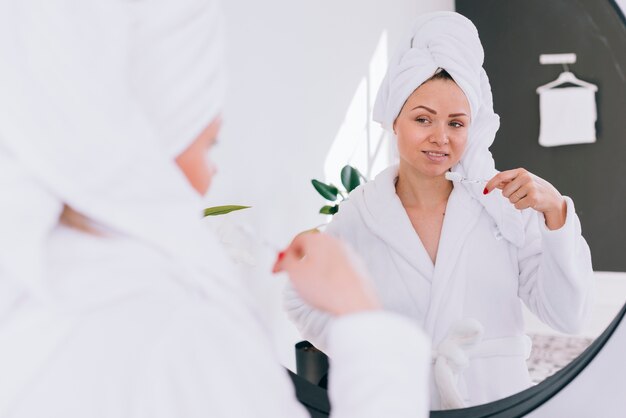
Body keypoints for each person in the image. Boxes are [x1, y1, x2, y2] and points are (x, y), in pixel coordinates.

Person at [0, 1, 431, 417]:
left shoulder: (25, 308)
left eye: (457, 121)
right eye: (209, 145)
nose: (211, 173)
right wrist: (362, 315)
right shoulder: (177, 339)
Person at [284, 11, 595, 410]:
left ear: (473, 127)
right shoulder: (361, 214)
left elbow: (569, 316)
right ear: (395, 120)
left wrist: (554, 212)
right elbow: (304, 304)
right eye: (422, 119)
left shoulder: (502, 207)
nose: (440, 138)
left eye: (456, 123)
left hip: (496, 399)